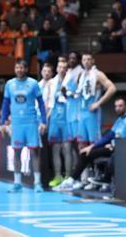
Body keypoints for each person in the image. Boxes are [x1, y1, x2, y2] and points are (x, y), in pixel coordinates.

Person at [58, 97, 126, 191]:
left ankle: (103, 180)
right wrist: (91, 146)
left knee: (92, 154)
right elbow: (108, 136)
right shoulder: (119, 120)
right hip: (112, 147)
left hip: (122, 150)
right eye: (116, 106)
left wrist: (114, 145)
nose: (117, 108)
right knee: (86, 152)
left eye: (120, 106)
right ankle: (73, 180)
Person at [0, 60, 46, 193]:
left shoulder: (33, 83)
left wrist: (43, 121)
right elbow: (5, 103)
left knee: (35, 152)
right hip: (17, 123)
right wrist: (2, 122)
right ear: (15, 69)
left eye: (22, 67)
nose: (19, 70)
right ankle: (17, 183)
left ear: (26, 69)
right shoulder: (9, 84)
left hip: (31, 122)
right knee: (16, 152)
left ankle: (37, 183)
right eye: (17, 67)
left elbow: (41, 103)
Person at [75, 54, 117, 146]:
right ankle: (83, 160)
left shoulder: (98, 74)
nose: (86, 61)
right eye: (84, 59)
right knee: (81, 143)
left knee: (94, 143)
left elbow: (112, 88)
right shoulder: (80, 75)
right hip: (82, 112)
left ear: (93, 61)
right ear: (81, 62)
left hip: (93, 113)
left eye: (88, 59)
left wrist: (98, 103)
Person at [46, 59, 74, 188]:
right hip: (54, 120)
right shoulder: (51, 83)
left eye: (64, 67)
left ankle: (68, 176)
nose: (62, 69)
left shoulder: (71, 81)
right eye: (60, 67)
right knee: (55, 149)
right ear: (57, 69)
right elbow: (48, 102)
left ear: (67, 69)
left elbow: (74, 99)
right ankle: (58, 176)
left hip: (67, 119)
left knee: (67, 149)